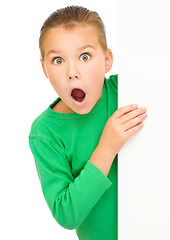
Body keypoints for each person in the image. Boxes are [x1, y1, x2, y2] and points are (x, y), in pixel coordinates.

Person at [29, 6, 147, 240]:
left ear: (106, 61)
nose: (72, 72)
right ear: (44, 69)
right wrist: (107, 148)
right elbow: (66, 214)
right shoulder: (45, 133)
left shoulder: (127, 90)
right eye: (58, 60)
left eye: (85, 56)